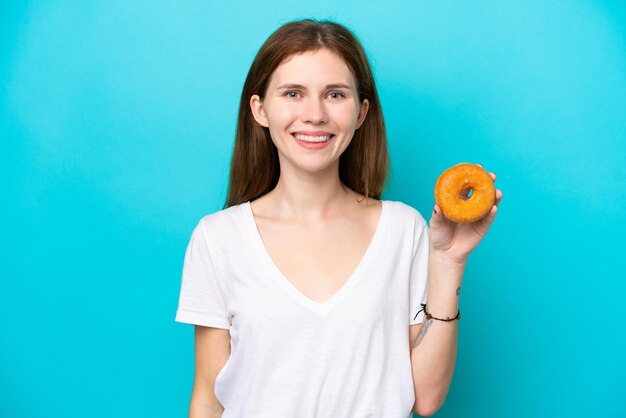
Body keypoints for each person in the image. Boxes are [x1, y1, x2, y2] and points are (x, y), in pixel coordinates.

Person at [175, 18, 502, 418]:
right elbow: (208, 398)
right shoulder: (218, 238)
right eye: (293, 93)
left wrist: (449, 263)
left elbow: (427, 398)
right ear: (260, 109)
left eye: (334, 94)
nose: (314, 114)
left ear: (361, 112)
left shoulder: (403, 230)